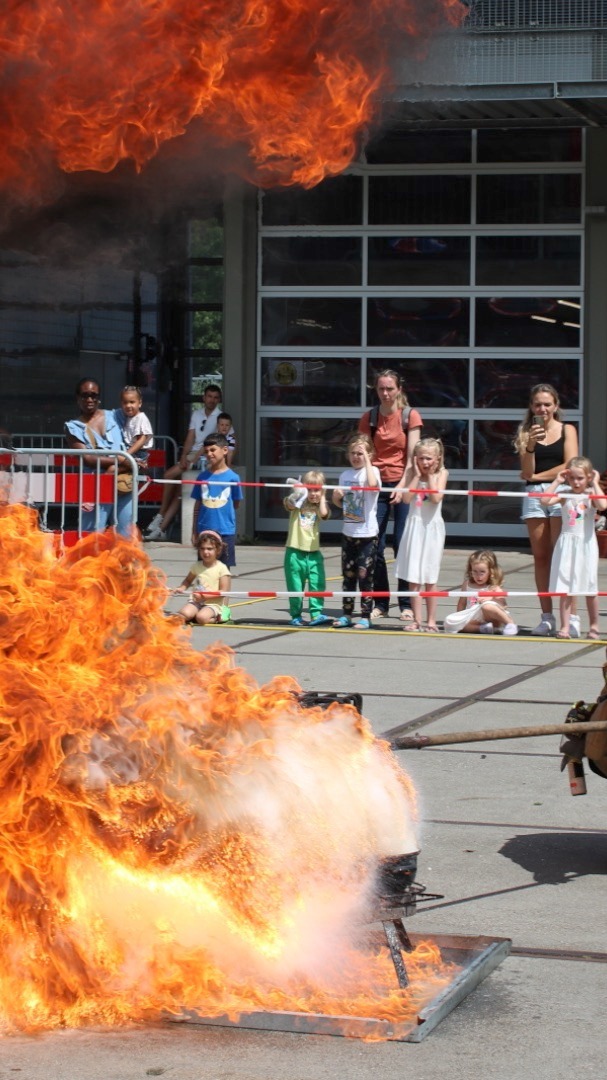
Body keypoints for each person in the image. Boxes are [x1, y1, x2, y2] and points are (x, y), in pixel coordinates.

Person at [515, 383, 579, 637]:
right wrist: (530, 445)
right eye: (537, 404)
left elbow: (570, 464)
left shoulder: (567, 429)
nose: (542, 409)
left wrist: (538, 475)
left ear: (556, 406)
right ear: (531, 407)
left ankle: (571, 617)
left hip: (562, 493)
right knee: (541, 557)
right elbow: (526, 471)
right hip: (534, 495)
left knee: (563, 556)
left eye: (547, 404)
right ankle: (547, 617)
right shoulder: (526, 431)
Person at [359, 369, 422, 621]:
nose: (385, 393)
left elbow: (413, 457)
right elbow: (364, 454)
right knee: (375, 545)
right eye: (381, 389)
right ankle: (381, 601)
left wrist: (403, 486)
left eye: (390, 389)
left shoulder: (410, 416)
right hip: (377, 485)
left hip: (403, 483)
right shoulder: (370, 417)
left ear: (399, 390)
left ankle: (405, 602)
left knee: (402, 545)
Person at [144, 384, 225, 541]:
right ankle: (161, 522)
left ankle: (161, 522)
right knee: (171, 480)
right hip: (192, 455)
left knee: (180, 491)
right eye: (209, 396)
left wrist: (193, 459)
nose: (212, 400)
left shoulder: (220, 417)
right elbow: (190, 437)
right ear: (203, 398)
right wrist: (184, 456)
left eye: (215, 397)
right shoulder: (196, 414)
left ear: (219, 400)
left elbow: (211, 442)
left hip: (206, 457)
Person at [541, 457, 607, 640]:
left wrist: (594, 483)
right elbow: (545, 501)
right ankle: (565, 626)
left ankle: (594, 626)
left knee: (589, 586)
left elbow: (603, 505)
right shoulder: (564, 494)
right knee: (565, 587)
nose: (576, 482)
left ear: (587, 477)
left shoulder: (590, 495)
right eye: (573, 478)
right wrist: (557, 481)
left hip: (586, 543)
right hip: (567, 543)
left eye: (581, 478)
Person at [64, 378, 134, 538]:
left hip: (122, 483)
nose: (90, 399)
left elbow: (138, 427)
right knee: (92, 537)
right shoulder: (72, 427)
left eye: (93, 395)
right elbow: (88, 458)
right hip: (93, 488)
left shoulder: (116, 415)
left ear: (99, 397)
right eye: (85, 395)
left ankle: (125, 564)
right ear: (78, 398)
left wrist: (140, 455)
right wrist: (125, 460)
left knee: (126, 536)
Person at [395, 437, 448, 633]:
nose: (425, 463)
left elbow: (435, 498)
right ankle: (417, 620)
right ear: (415, 458)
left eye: (429, 459)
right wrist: (416, 477)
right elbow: (407, 498)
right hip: (415, 526)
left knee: (430, 577)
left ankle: (431, 621)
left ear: (437, 458)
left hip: (432, 529)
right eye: (421, 458)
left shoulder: (442, 473)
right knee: (414, 577)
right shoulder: (411, 473)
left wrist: (431, 476)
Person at [332, 434, 381, 630]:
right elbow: (340, 504)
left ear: (369, 454)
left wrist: (368, 460)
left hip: (367, 534)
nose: (355, 457)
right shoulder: (345, 475)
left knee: (364, 575)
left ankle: (365, 615)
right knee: (348, 575)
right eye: (352, 453)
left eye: (360, 453)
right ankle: (346, 613)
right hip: (349, 531)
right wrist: (336, 497)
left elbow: (372, 485)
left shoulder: (373, 471)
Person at [283, 469, 332, 627]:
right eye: (310, 489)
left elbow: (324, 514)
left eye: (317, 490)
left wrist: (323, 497)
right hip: (294, 551)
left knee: (317, 583)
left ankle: (316, 614)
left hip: (313, 553)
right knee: (295, 586)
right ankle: (296, 615)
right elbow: (289, 504)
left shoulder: (318, 506)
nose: (313, 494)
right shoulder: (298, 503)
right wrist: (297, 494)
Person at [190, 433, 242, 568]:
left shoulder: (233, 478)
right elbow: (197, 505)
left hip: (225, 532)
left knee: (223, 571)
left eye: (213, 450)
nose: (209, 454)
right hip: (204, 532)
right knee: (203, 572)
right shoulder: (202, 477)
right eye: (206, 451)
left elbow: (236, 503)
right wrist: (194, 531)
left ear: (225, 450)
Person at [444, 550, 518, 636]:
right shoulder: (467, 584)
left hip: (491, 617)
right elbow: (462, 602)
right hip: (474, 618)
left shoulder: (493, 587)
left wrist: (491, 598)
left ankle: (510, 624)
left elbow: (504, 605)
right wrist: (459, 617)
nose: (478, 576)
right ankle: (483, 628)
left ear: (491, 572)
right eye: (475, 571)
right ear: (470, 570)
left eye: (482, 572)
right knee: (449, 621)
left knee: (487, 606)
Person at [173, 530, 232, 625]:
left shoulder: (222, 568)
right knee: (183, 614)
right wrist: (182, 587)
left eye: (210, 549)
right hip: (196, 601)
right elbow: (188, 580)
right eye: (202, 548)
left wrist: (205, 596)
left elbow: (223, 591)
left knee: (201, 618)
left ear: (218, 550)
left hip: (213, 604)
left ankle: (219, 617)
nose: (205, 552)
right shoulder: (197, 566)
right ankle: (193, 615)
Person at [115, 385, 153, 466]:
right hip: (130, 451)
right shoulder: (127, 417)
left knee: (114, 465)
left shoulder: (141, 418)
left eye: (132, 402)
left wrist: (126, 454)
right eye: (125, 403)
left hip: (138, 454)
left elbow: (141, 440)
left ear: (140, 403)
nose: (128, 405)